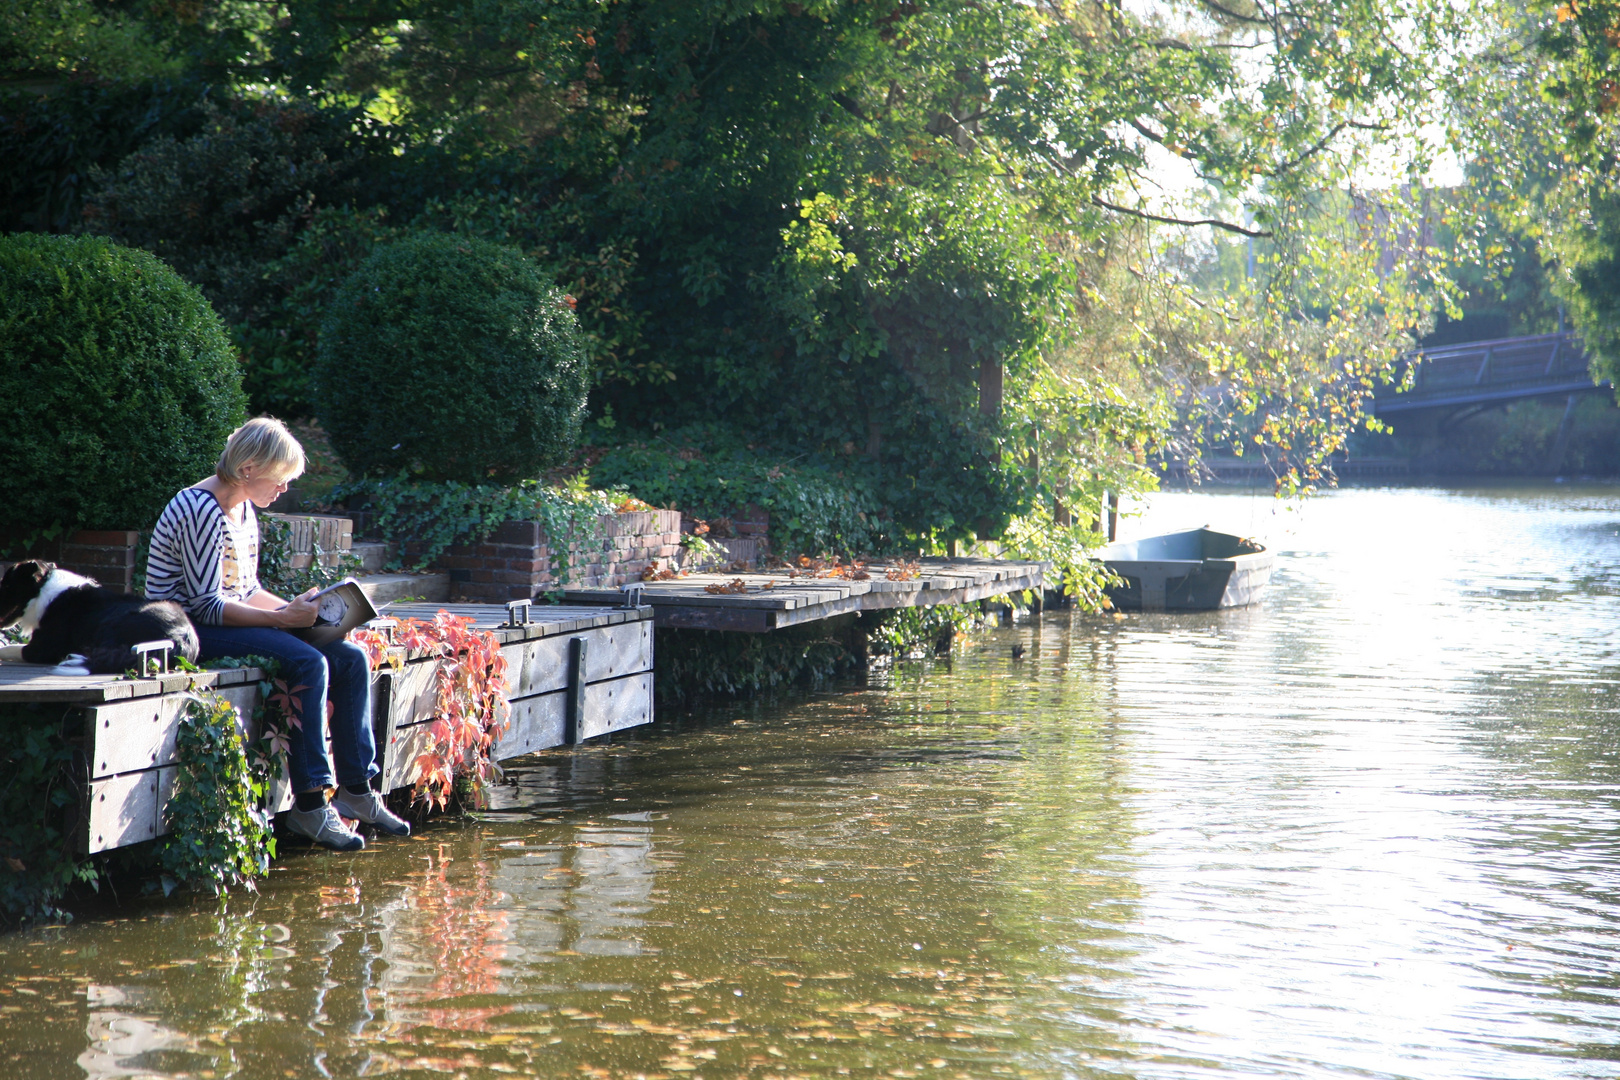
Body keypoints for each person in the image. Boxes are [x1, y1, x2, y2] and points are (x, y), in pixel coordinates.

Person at [146, 417, 409, 850]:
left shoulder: (243, 507)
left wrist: (293, 611)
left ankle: (357, 791)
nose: (285, 489)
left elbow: (246, 590)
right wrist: (283, 621)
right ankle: (310, 803)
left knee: (350, 658)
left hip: (221, 619)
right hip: (188, 631)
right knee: (307, 660)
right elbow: (204, 606)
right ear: (248, 468)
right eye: (281, 478)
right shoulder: (198, 508)